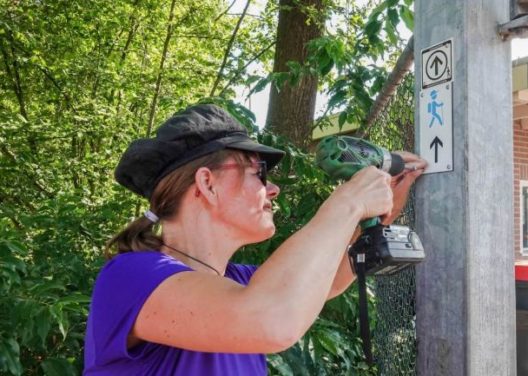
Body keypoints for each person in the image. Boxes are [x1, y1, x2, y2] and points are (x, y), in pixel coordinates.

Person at [83, 104, 426, 375]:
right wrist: (347, 201)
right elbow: (272, 319)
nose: (273, 189)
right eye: (258, 172)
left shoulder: (240, 283)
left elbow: (325, 278)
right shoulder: (132, 276)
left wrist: (378, 209)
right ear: (207, 184)